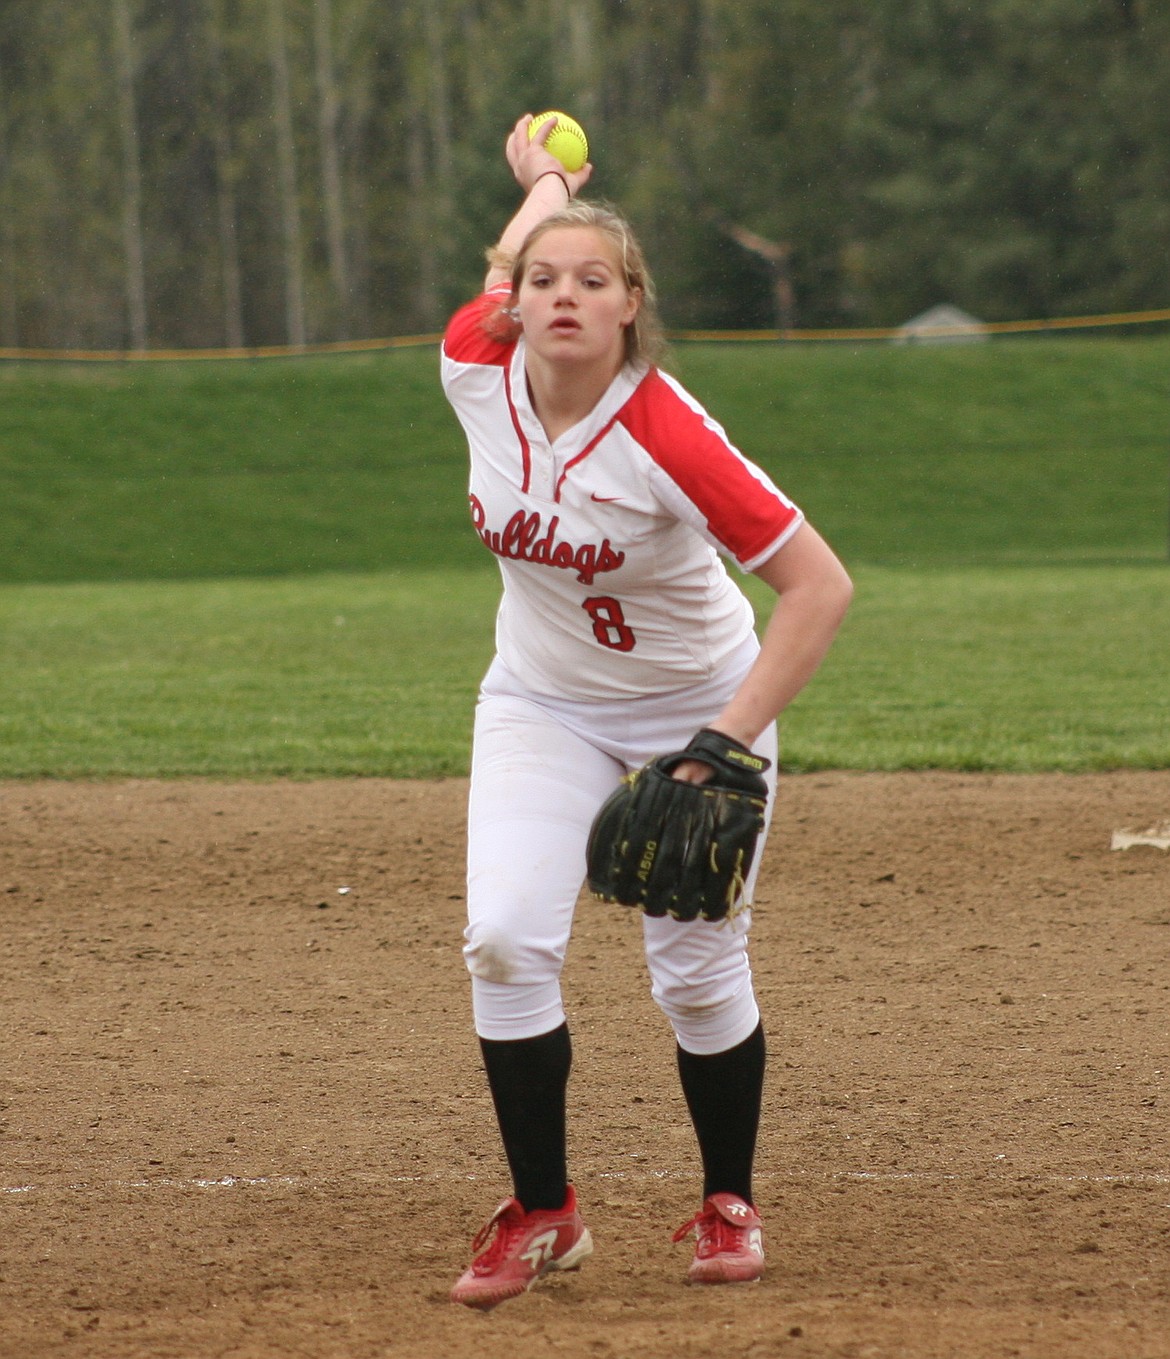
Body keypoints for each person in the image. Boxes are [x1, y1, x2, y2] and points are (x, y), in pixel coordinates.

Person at [439, 114, 853, 1310]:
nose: (562, 295)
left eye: (596, 281)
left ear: (631, 307)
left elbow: (819, 588)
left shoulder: (668, 434)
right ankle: (545, 1213)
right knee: (506, 940)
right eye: (544, 280)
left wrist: (723, 744)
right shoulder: (477, 363)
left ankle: (729, 1198)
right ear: (518, 302)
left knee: (696, 970)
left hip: (696, 710)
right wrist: (551, 184)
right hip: (539, 702)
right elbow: (499, 263)